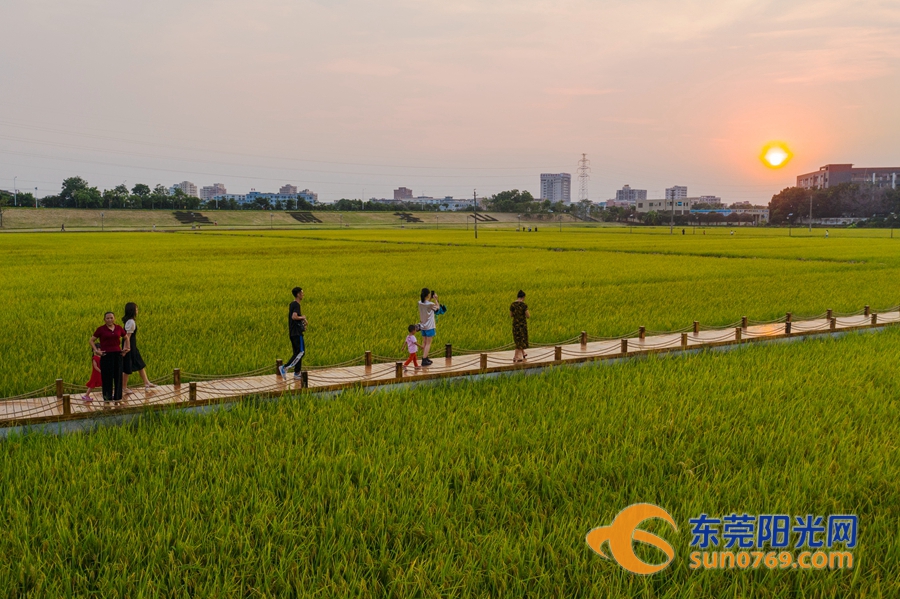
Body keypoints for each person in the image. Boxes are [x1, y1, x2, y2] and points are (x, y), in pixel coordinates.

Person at [90, 312, 129, 402]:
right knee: (107, 377)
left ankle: (118, 397)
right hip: (106, 355)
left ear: (114, 318)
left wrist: (126, 348)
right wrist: (96, 350)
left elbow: (126, 337)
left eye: (111, 318)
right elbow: (91, 340)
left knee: (118, 376)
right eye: (107, 318)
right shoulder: (101, 329)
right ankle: (107, 398)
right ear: (104, 320)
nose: (109, 320)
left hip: (118, 354)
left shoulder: (119, 328)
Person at [122, 302, 157, 393]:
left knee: (139, 363)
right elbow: (127, 337)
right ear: (132, 311)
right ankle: (124, 387)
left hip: (132, 345)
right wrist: (126, 349)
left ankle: (146, 382)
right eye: (136, 309)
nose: (137, 311)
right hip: (130, 345)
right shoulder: (131, 322)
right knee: (127, 367)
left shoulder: (129, 321)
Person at [280, 287, 307, 379]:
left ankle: (297, 373)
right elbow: (294, 317)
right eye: (302, 293)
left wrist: (302, 322)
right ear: (298, 294)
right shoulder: (296, 305)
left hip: (293, 333)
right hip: (296, 333)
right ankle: (285, 367)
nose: (303, 294)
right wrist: (303, 317)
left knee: (297, 353)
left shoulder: (292, 304)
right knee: (301, 352)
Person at [418, 288, 440, 366]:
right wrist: (436, 299)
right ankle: (424, 360)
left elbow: (426, 304)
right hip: (429, 326)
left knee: (424, 342)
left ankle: (425, 357)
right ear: (428, 295)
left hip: (422, 326)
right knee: (428, 343)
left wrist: (430, 299)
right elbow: (437, 308)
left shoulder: (420, 302)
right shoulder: (430, 304)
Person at [510, 290, 531, 363]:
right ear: (523, 297)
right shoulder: (524, 305)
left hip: (515, 324)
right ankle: (517, 357)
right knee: (521, 340)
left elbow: (511, 315)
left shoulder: (512, 305)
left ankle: (522, 353)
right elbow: (528, 316)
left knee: (517, 339)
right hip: (522, 325)